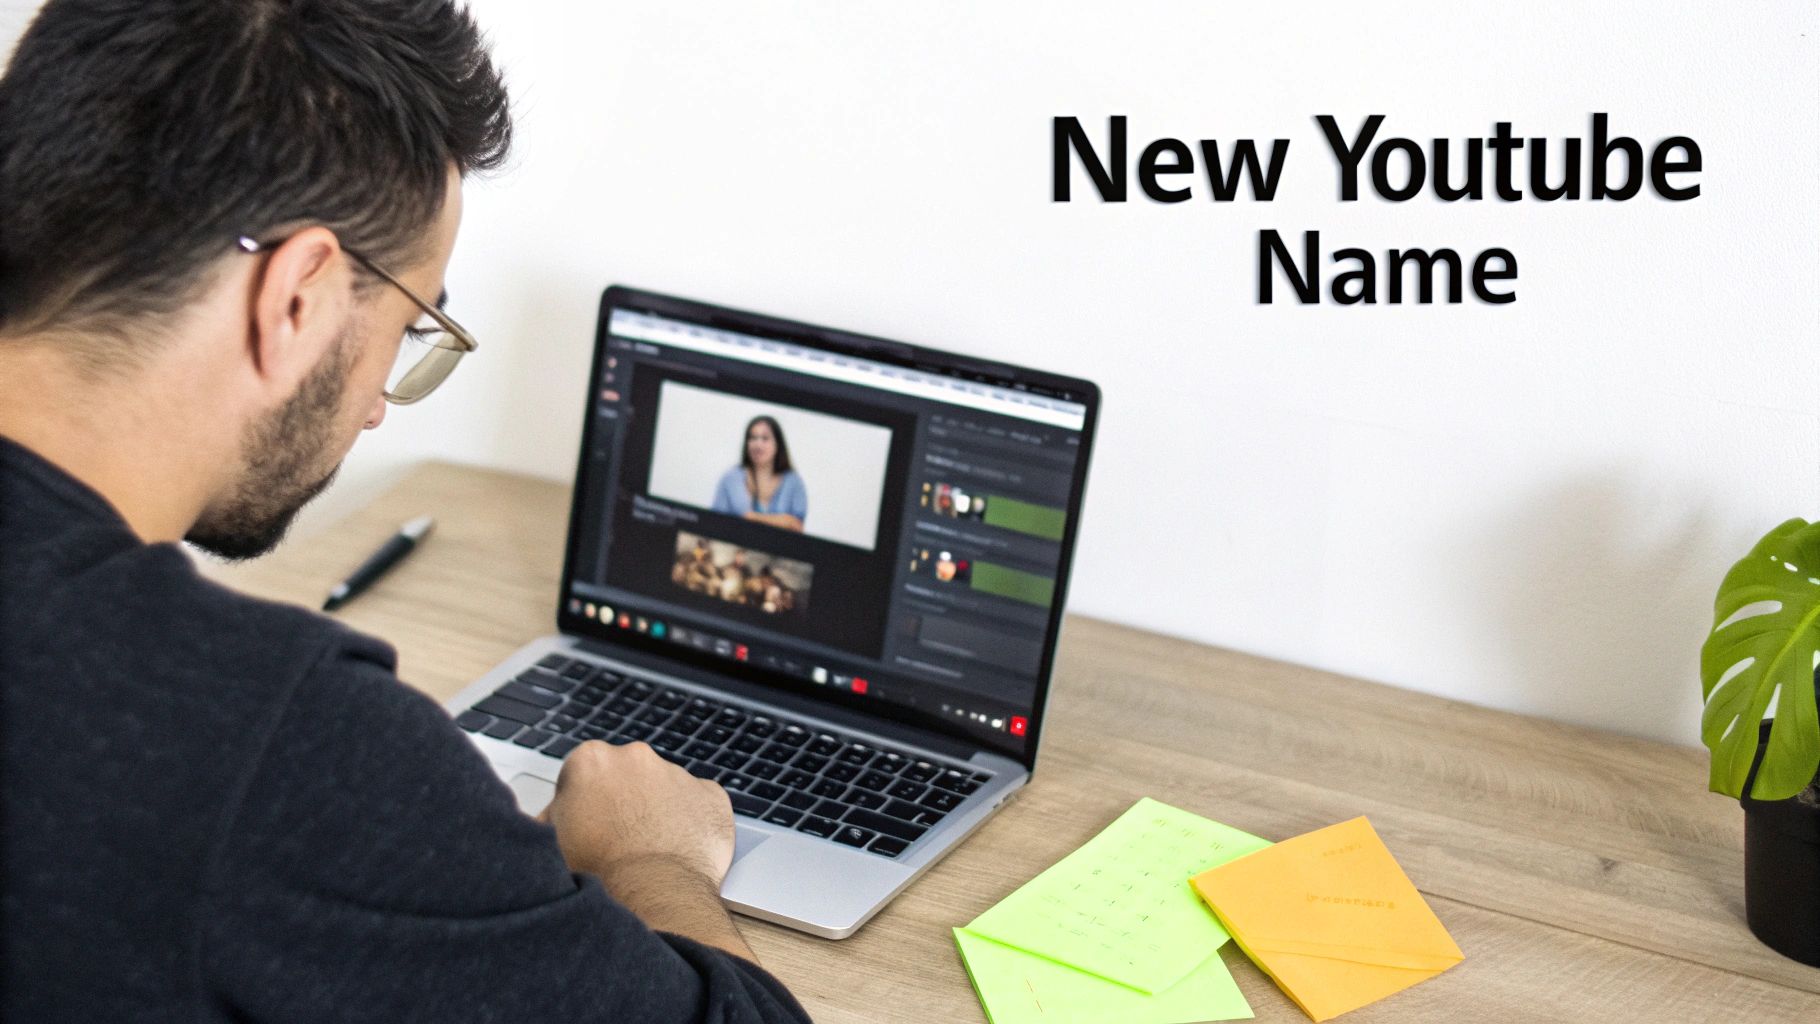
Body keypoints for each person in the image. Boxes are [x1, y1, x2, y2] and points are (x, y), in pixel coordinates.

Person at [0, 2, 811, 1021]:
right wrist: (654, 861)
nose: (379, 403)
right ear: (298, 295)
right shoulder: (277, 742)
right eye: (411, 323)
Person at [710, 415, 808, 532]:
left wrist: (754, 517)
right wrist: (783, 521)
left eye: (765, 438)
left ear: (778, 444)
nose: (758, 444)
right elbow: (717, 521)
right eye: (753, 438)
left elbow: (797, 526)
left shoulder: (793, 481)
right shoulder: (732, 477)